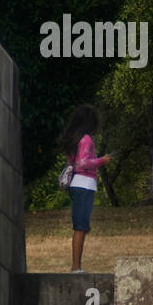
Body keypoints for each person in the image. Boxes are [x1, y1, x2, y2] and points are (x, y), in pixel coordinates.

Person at [58, 105, 112, 273]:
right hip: (85, 184)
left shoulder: (73, 139)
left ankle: (77, 265)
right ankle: (76, 266)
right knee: (81, 226)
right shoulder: (86, 139)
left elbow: (73, 162)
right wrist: (102, 160)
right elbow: (83, 163)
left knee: (80, 226)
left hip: (75, 184)